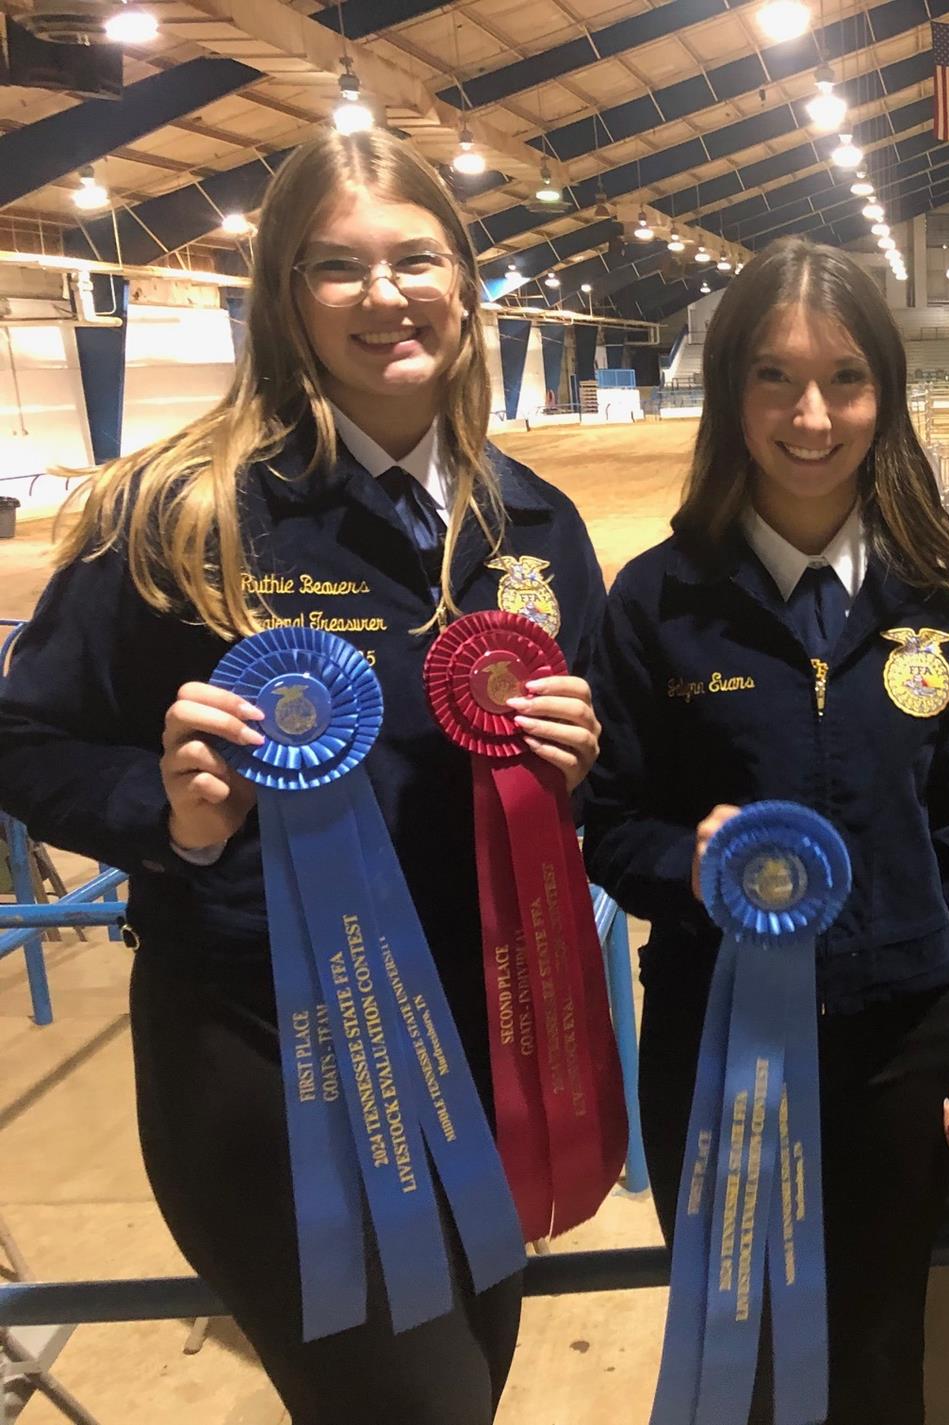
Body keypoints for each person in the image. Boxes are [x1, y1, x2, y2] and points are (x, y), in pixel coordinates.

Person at [0, 128, 605, 1422]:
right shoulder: (182, 513)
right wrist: (166, 816)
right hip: (274, 1063)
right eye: (339, 267)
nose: (384, 295)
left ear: (466, 286)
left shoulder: (535, 527)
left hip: (484, 1049)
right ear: (286, 298)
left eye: (414, 260)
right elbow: (29, 737)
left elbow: (579, 805)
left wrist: (580, 769)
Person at [582, 235, 949, 1424]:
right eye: (773, 376)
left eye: (845, 379)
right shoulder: (657, 599)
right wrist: (692, 863)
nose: (811, 415)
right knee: (743, 1358)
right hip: (717, 1037)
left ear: (886, 393)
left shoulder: (942, 585)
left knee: (879, 1352)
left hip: (902, 1041)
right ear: (728, 395)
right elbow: (608, 827)